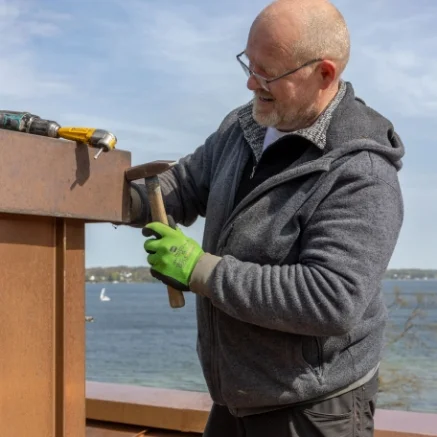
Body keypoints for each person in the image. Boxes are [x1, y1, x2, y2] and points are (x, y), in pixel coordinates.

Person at [129, 0, 405, 435]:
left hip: (313, 411)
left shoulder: (363, 174)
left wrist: (200, 270)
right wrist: (121, 201)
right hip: (235, 400)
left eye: (268, 73)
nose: (250, 83)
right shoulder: (243, 127)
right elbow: (180, 185)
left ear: (324, 74)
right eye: (248, 63)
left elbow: (331, 299)